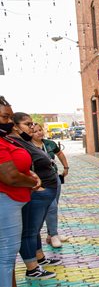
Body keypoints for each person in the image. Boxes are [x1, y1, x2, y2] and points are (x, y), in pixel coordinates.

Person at [0, 96, 40, 287]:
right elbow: (8, 175)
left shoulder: (5, 139)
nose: (9, 122)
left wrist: (27, 175)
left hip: (12, 201)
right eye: (5, 117)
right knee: (5, 254)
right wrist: (31, 181)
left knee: (8, 253)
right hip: (5, 201)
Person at [8, 112, 62, 278]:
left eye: (32, 124)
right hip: (38, 193)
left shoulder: (25, 141)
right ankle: (32, 268)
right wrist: (35, 186)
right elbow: (17, 168)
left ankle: (40, 258)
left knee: (36, 229)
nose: (32, 127)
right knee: (30, 231)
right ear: (15, 126)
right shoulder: (15, 143)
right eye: (27, 124)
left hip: (46, 192)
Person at [31, 123, 69, 248]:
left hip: (54, 178)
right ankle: (53, 235)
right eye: (36, 131)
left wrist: (65, 167)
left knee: (54, 207)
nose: (39, 133)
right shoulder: (29, 146)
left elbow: (60, 154)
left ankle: (51, 234)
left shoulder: (49, 143)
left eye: (40, 130)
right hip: (40, 181)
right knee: (51, 207)